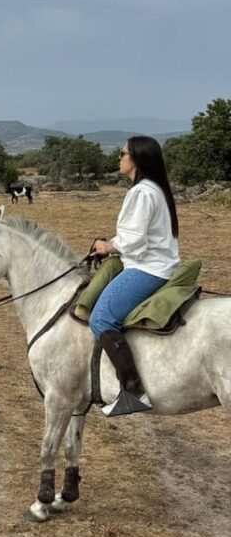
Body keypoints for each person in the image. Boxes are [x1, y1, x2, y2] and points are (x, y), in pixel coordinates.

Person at [90, 136, 180, 416]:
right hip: (155, 263)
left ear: (137, 159)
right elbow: (133, 234)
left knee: (101, 317)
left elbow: (134, 241)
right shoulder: (153, 189)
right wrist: (111, 246)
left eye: (122, 153)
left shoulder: (141, 192)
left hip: (148, 268)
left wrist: (108, 247)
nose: (119, 158)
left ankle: (133, 389)